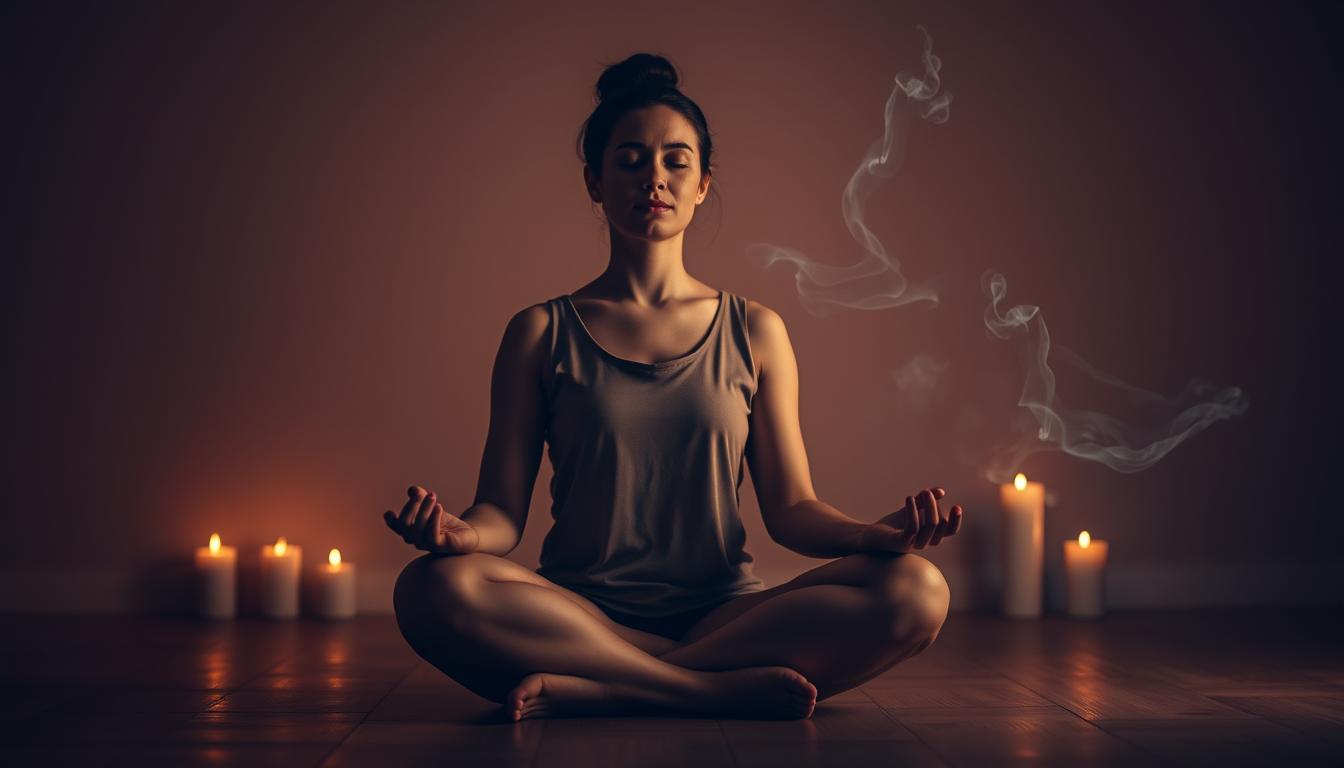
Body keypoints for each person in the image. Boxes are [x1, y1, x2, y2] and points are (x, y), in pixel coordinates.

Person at [384, 53, 963, 722]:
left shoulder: (757, 329)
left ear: (703, 184)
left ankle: (605, 685)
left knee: (919, 591)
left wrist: (872, 535)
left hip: (722, 619)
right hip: (575, 611)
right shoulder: (539, 331)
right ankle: (705, 691)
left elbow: (793, 508)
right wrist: (461, 537)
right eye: (629, 160)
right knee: (426, 589)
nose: (652, 178)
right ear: (594, 182)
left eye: (675, 161)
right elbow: (501, 515)